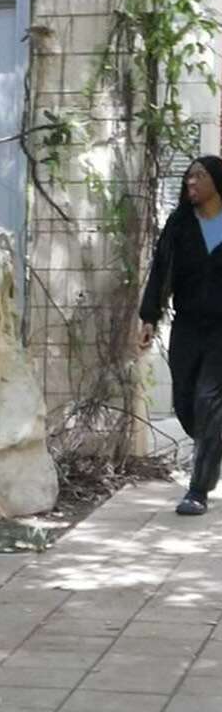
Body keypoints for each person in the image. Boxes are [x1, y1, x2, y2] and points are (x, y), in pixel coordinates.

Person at [138, 154, 222, 516]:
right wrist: (148, 317)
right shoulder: (179, 224)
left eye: (198, 177)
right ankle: (213, 446)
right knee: (187, 404)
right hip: (187, 326)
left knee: (208, 399)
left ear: (216, 182)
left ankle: (197, 490)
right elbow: (160, 270)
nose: (190, 183)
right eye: (188, 178)